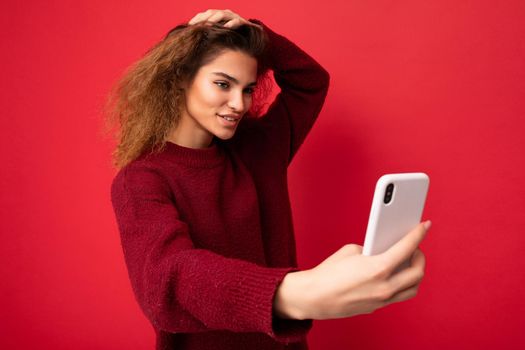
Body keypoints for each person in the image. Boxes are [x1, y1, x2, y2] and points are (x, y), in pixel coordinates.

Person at [107, 9, 430, 350]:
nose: (238, 104)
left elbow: (309, 81)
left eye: (247, 89)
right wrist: (297, 292)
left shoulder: (257, 149)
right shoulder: (141, 179)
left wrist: (254, 33)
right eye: (222, 83)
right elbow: (166, 278)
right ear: (180, 78)